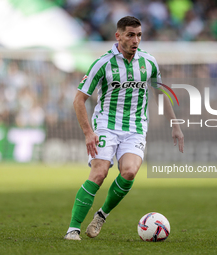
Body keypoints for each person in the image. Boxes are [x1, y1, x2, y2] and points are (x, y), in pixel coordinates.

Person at [64, 16, 184, 241]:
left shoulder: (149, 62)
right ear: (118, 36)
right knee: (99, 173)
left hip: (135, 128)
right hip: (106, 126)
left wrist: (175, 124)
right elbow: (78, 100)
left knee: (129, 171)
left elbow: (160, 92)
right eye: (130, 35)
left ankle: (102, 214)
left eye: (139, 35)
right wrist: (89, 133)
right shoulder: (103, 63)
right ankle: (73, 229)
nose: (135, 40)